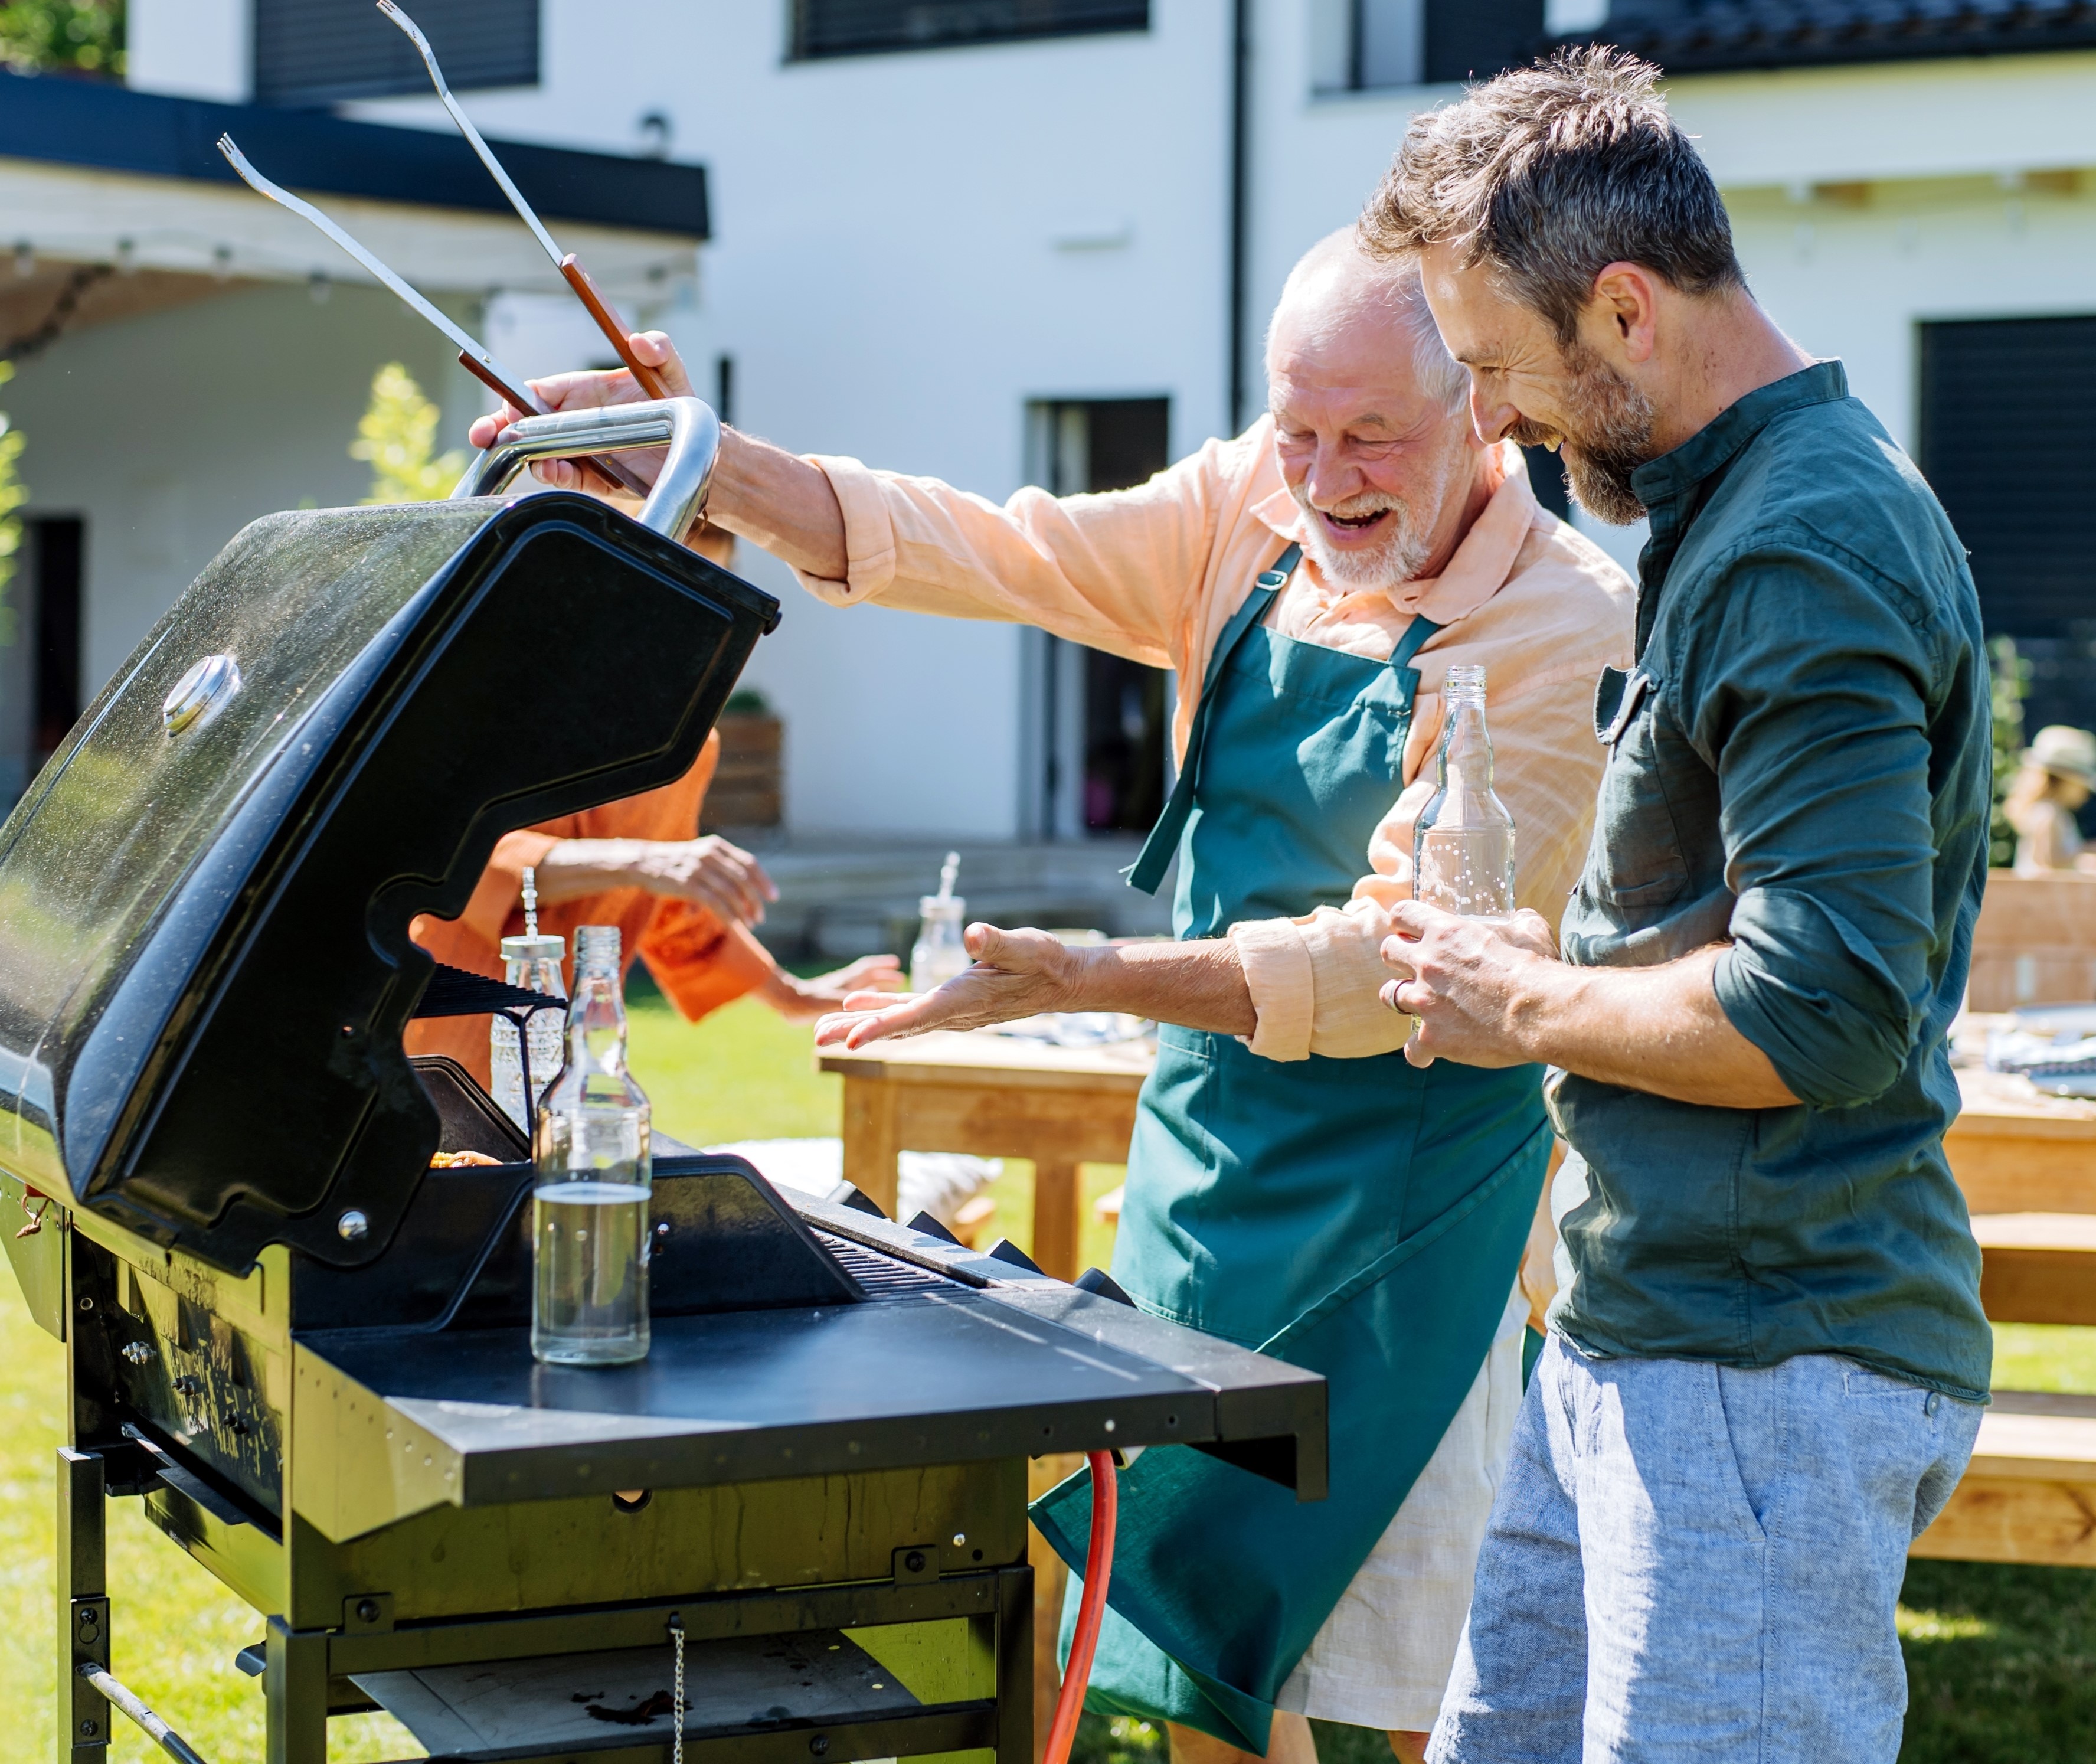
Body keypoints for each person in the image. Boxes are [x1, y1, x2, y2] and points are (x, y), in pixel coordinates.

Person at [471, 231, 1634, 1764]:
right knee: (1193, 1664)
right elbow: (988, 543)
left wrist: (1087, 974)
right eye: (1294, 426)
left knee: (1376, 1689)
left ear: (1484, 407)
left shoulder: (1560, 623)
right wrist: (698, 457)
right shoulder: (1248, 505)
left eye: (1368, 435)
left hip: (1407, 1217)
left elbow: (1390, 965)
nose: (1322, 473)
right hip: (1206, 1167)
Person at [1361, 47, 1991, 1763]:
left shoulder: (1799, 544)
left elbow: (1819, 1012)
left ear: (1622, 309)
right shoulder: (1734, 519)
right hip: (1647, 1328)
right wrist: (1536, 960)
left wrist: (1521, 1006)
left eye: (1492, 365)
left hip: (1764, 1356)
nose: (1484, 417)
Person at [406, 524, 897, 1082]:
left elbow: (669, 900)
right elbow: (465, 859)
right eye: (672, 582)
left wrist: (791, 995)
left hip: (575, 1054)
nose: (692, 614)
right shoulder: (519, 694)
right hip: (448, 1033)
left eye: (712, 591)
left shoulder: (689, 741)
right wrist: (645, 861)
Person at [2003, 724, 2096, 872]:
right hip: (2040, 895)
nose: (2085, 792)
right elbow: (2047, 864)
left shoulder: (2056, 813)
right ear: (2064, 781)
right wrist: (2084, 854)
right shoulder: (2048, 814)